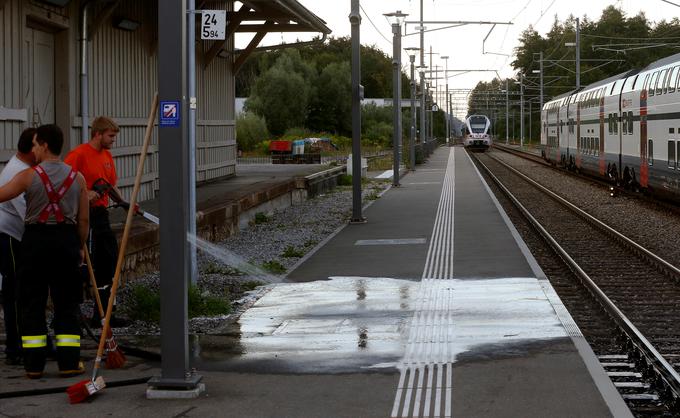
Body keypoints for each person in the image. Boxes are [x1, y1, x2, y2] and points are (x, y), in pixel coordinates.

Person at [0, 124, 89, 378]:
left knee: (32, 303)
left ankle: (34, 365)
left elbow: (3, 194)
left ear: (45, 145)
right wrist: (80, 246)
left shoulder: (29, 176)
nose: (34, 149)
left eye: (36, 144)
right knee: (66, 303)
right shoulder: (77, 178)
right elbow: (84, 221)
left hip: (35, 242)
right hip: (66, 241)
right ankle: (69, 362)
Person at [64, 116, 120, 327]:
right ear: (98, 134)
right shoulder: (78, 155)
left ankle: (104, 313)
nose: (113, 140)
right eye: (110, 136)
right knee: (84, 265)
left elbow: (110, 185)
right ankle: (72, 313)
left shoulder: (107, 156)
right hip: (82, 216)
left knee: (109, 260)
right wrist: (85, 193)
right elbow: (64, 183)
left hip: (101, 215)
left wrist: (125, 202)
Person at [0, 128, 36, 365]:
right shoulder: (16, 173)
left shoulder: (25, 169)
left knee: (24, 291)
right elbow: (29, 213)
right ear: (33, 149)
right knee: (14, 293)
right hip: (9, 236)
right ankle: (15, 347)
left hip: (17, 236)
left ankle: (27, 341)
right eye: (41, 145)